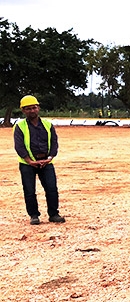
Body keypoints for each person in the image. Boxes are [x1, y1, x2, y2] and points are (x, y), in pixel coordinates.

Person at [13, 95, 66, 225]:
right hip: (27, 164)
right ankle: (34, 215)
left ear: (38, 108)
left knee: (52, 188)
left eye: (34, 107)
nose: (32, 110)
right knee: (29, 190)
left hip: (46, 163)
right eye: (28, 109)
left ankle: (54, 214)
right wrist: (30, 161)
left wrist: (49, 158)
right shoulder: (19, 127)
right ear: (23, 111)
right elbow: (19, 146)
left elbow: (54, 143)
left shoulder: (48, 125)